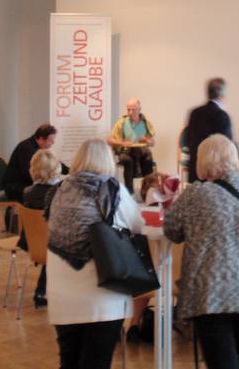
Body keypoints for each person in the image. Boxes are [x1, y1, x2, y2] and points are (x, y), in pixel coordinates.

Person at [164, 134, 239, 369]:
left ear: (202, 161)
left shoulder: (195, 194)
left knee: (222, 362)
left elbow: (172, 230)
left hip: (212, 292)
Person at [47, 139, 144, 369]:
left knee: (69, 361)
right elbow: (137, 225)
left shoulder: (58, 190)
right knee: (96, 361)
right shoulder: (112, 189)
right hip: (102, 295)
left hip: (61, 293)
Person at [20, 149, 62, 308]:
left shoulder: (27, 192)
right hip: (53, 246)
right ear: (55, 169)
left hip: (32, 243)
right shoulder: (60, 193)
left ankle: (41, 291)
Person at [186, 78, 233, 183]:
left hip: (195, 168)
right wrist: (238, 149)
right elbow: (226, 147)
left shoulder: (195, 112)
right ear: (222, 96)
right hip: (214, 173)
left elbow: (189, 140)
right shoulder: (222, 115)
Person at [108, 98, 156, 194]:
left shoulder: (145, 122)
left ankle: (147, 191)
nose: (130, 112)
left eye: (133, 109)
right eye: (128, 109)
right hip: (126, 151)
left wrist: (148, 141)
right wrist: (122, 143)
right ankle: (129, 192)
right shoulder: (122, 122)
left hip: (142, 151)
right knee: (128, 161)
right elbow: (109, 140)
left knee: (148, 160)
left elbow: (152, 142)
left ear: (139, 109)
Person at [4, 124, 57, 201]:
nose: (53, 143)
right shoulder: (26, 147)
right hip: (16, 188)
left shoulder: (37, 148)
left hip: (26, 184)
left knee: (50, 190)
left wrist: (70, 170)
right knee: (49, 193)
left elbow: (53, 162)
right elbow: (28, 174)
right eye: (51, 140)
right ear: (41, 139)